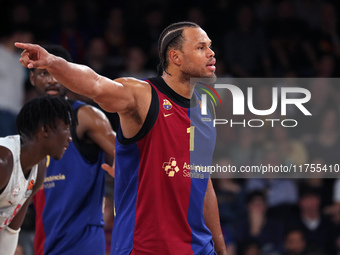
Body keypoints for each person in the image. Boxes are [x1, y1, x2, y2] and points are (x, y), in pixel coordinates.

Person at [15, 21, 227, 255]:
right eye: (200, 47)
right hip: (144, 248)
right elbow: (95, 84)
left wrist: (221, 250)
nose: (211, 53)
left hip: (199, 249)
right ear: (175, 57)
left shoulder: (206, 108)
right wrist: (53, 63)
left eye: (209, 46)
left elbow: (203, 183)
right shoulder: (141, 96)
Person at [28, 45, 116, 255]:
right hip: (44, 243)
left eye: (56, 73)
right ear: (32, 79)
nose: (51, 80)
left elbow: (131, 157)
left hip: (83, 244)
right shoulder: (28, 127)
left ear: (68, 75)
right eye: (43, 73)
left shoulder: (87, 116)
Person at [0, 96, 75, 255]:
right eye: (66, 128)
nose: (70, 138)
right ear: (45, 130)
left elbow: (11, 230)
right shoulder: (3, 163)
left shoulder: (39, 170)